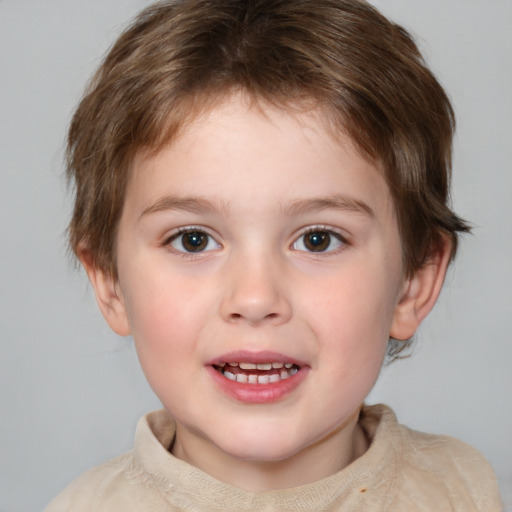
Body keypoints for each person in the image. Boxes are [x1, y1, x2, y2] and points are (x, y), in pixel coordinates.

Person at [45, 0, 503, 510]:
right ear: (109, 281)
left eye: (318, 239)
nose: (256, 298)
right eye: (193, 240)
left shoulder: (466, 490)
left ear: (415, 279)